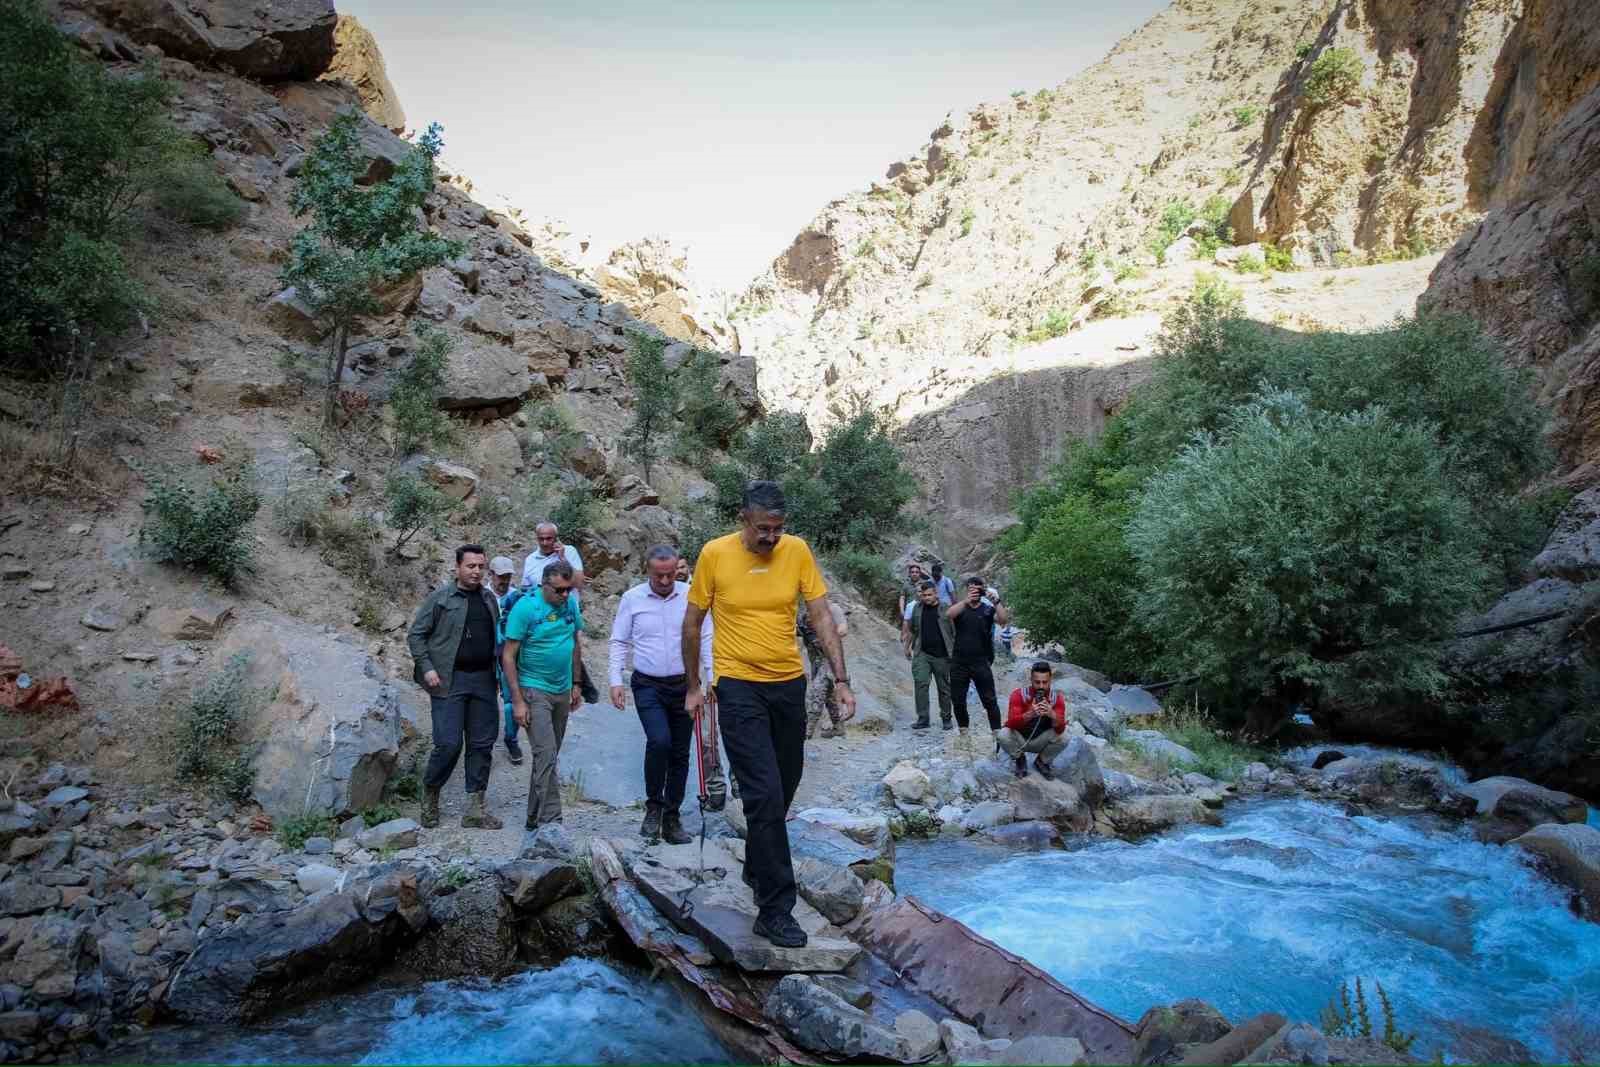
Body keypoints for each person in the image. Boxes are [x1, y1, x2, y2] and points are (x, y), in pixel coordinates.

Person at [682, 481, 854, 949]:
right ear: (744, 518)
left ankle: (758, 863)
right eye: (763, 529)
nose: (771, 538)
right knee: (763, 793)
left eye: (778, 529)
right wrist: (695, 685)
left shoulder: (796, 551)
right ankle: (775, 908)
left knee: (786, 784)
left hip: (787, 685)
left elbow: (819, 615)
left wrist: (841, 680)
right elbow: (693, 623)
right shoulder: (714, 554)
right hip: (737, 686)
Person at [609, 545, 715, 845]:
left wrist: (711, 678)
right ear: (648, 571)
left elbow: (706, 636)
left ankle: (672, 816)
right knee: (659, 741)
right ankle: (653, 807)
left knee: (680, 751)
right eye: (659, 576)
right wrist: (615, 680)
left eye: (670, 575)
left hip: (686, 684)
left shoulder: (691, 595)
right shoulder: (632, 599)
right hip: (648, 684)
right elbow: (619, 640)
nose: (666, 581)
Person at [405, 544, 505, 830]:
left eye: (480, 566)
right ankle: (431, 793)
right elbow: (416, 635)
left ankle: (475, 809)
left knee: (482, 744)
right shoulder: (441, 598)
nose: (476, 571)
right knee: (448, 744)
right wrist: (428, 668)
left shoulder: (489, 599)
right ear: (458, 567)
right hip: (449, 680)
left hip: (484, 681)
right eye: (470, 566)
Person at [501, 558, 584, 832]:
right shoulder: (526, 609)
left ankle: (533, 817)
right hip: (533, 689)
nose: (564, 595)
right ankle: (553, 822)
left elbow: (574, 642)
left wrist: (577, 682)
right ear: (544, 585)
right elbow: (509, 656)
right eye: (559, 590)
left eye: (568, 589)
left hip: (562, 689)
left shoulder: (570, 603)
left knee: (547, 756)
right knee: (545, 754)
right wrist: (517, 700)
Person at [521, 521, 599, 705]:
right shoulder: (531, 559)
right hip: (540, 611)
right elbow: (525, 587)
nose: (546, 542)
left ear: (556, 538)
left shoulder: (569, 551)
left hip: (566, 608)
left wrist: (563, 559)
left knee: (570, 645)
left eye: (550, 538)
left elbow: (579, 583)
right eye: (542, 539)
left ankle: (580, 685)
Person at [947, 575, 1008, 733]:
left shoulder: (987, 609)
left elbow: (1003, 620)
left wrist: (997, 601)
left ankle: (997, 735)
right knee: (958, 700)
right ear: (967, 591)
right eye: (970, 589)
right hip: (959, 661)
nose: (973, 592)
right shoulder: (961, 608)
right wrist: (965, 601)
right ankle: (964, 733)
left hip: (981, 661)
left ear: (982, 590)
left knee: (989, 700)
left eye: (977, 589)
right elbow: (949, 615)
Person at [1000, 662, 1068, 778]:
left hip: (1041, 740)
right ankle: (1020, 759)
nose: (1041, 686)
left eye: (1045, 682)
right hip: (1021, 739)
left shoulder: (1057, 699)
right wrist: (1030, 713)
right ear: (1031, 679)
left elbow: (1060, 728)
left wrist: (1052, 714)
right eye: (1037, 682)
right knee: (1003, 735)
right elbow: (1011, 723)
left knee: (1065, 736)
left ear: (1050, 680)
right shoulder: (1018, 695)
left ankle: (1041, 761)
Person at [488, 555, 525, 766]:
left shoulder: (517, 597)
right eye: (501, 576)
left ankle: (511, 739)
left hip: (510, 655)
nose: (504, 581)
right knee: (485, 700)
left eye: (508, 576)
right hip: (485, 655)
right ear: (491, 574)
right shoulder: (482, 595)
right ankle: (483, 741)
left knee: (512, 701)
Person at [904, 580, 955, 731]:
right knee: (920, 684)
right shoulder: (917, 609)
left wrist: (956, 653)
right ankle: (923, 718)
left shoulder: (946, 609)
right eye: (924, 595)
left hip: (942, 655)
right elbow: (913, 630)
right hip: (922, 653)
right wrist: (907, 647)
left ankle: (946, 718)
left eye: (929, 595)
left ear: (936, 593)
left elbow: (954, 631)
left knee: (944, 687)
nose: (926, 598)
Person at [799, 597, 850, 739]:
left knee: (817, 690)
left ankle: (807, 731)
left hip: (829, 658)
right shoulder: (803, 612)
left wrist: (826, 635)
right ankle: (838, 727)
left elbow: (843, 629)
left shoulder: (832, 609)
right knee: (829, 694)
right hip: (815, 659)